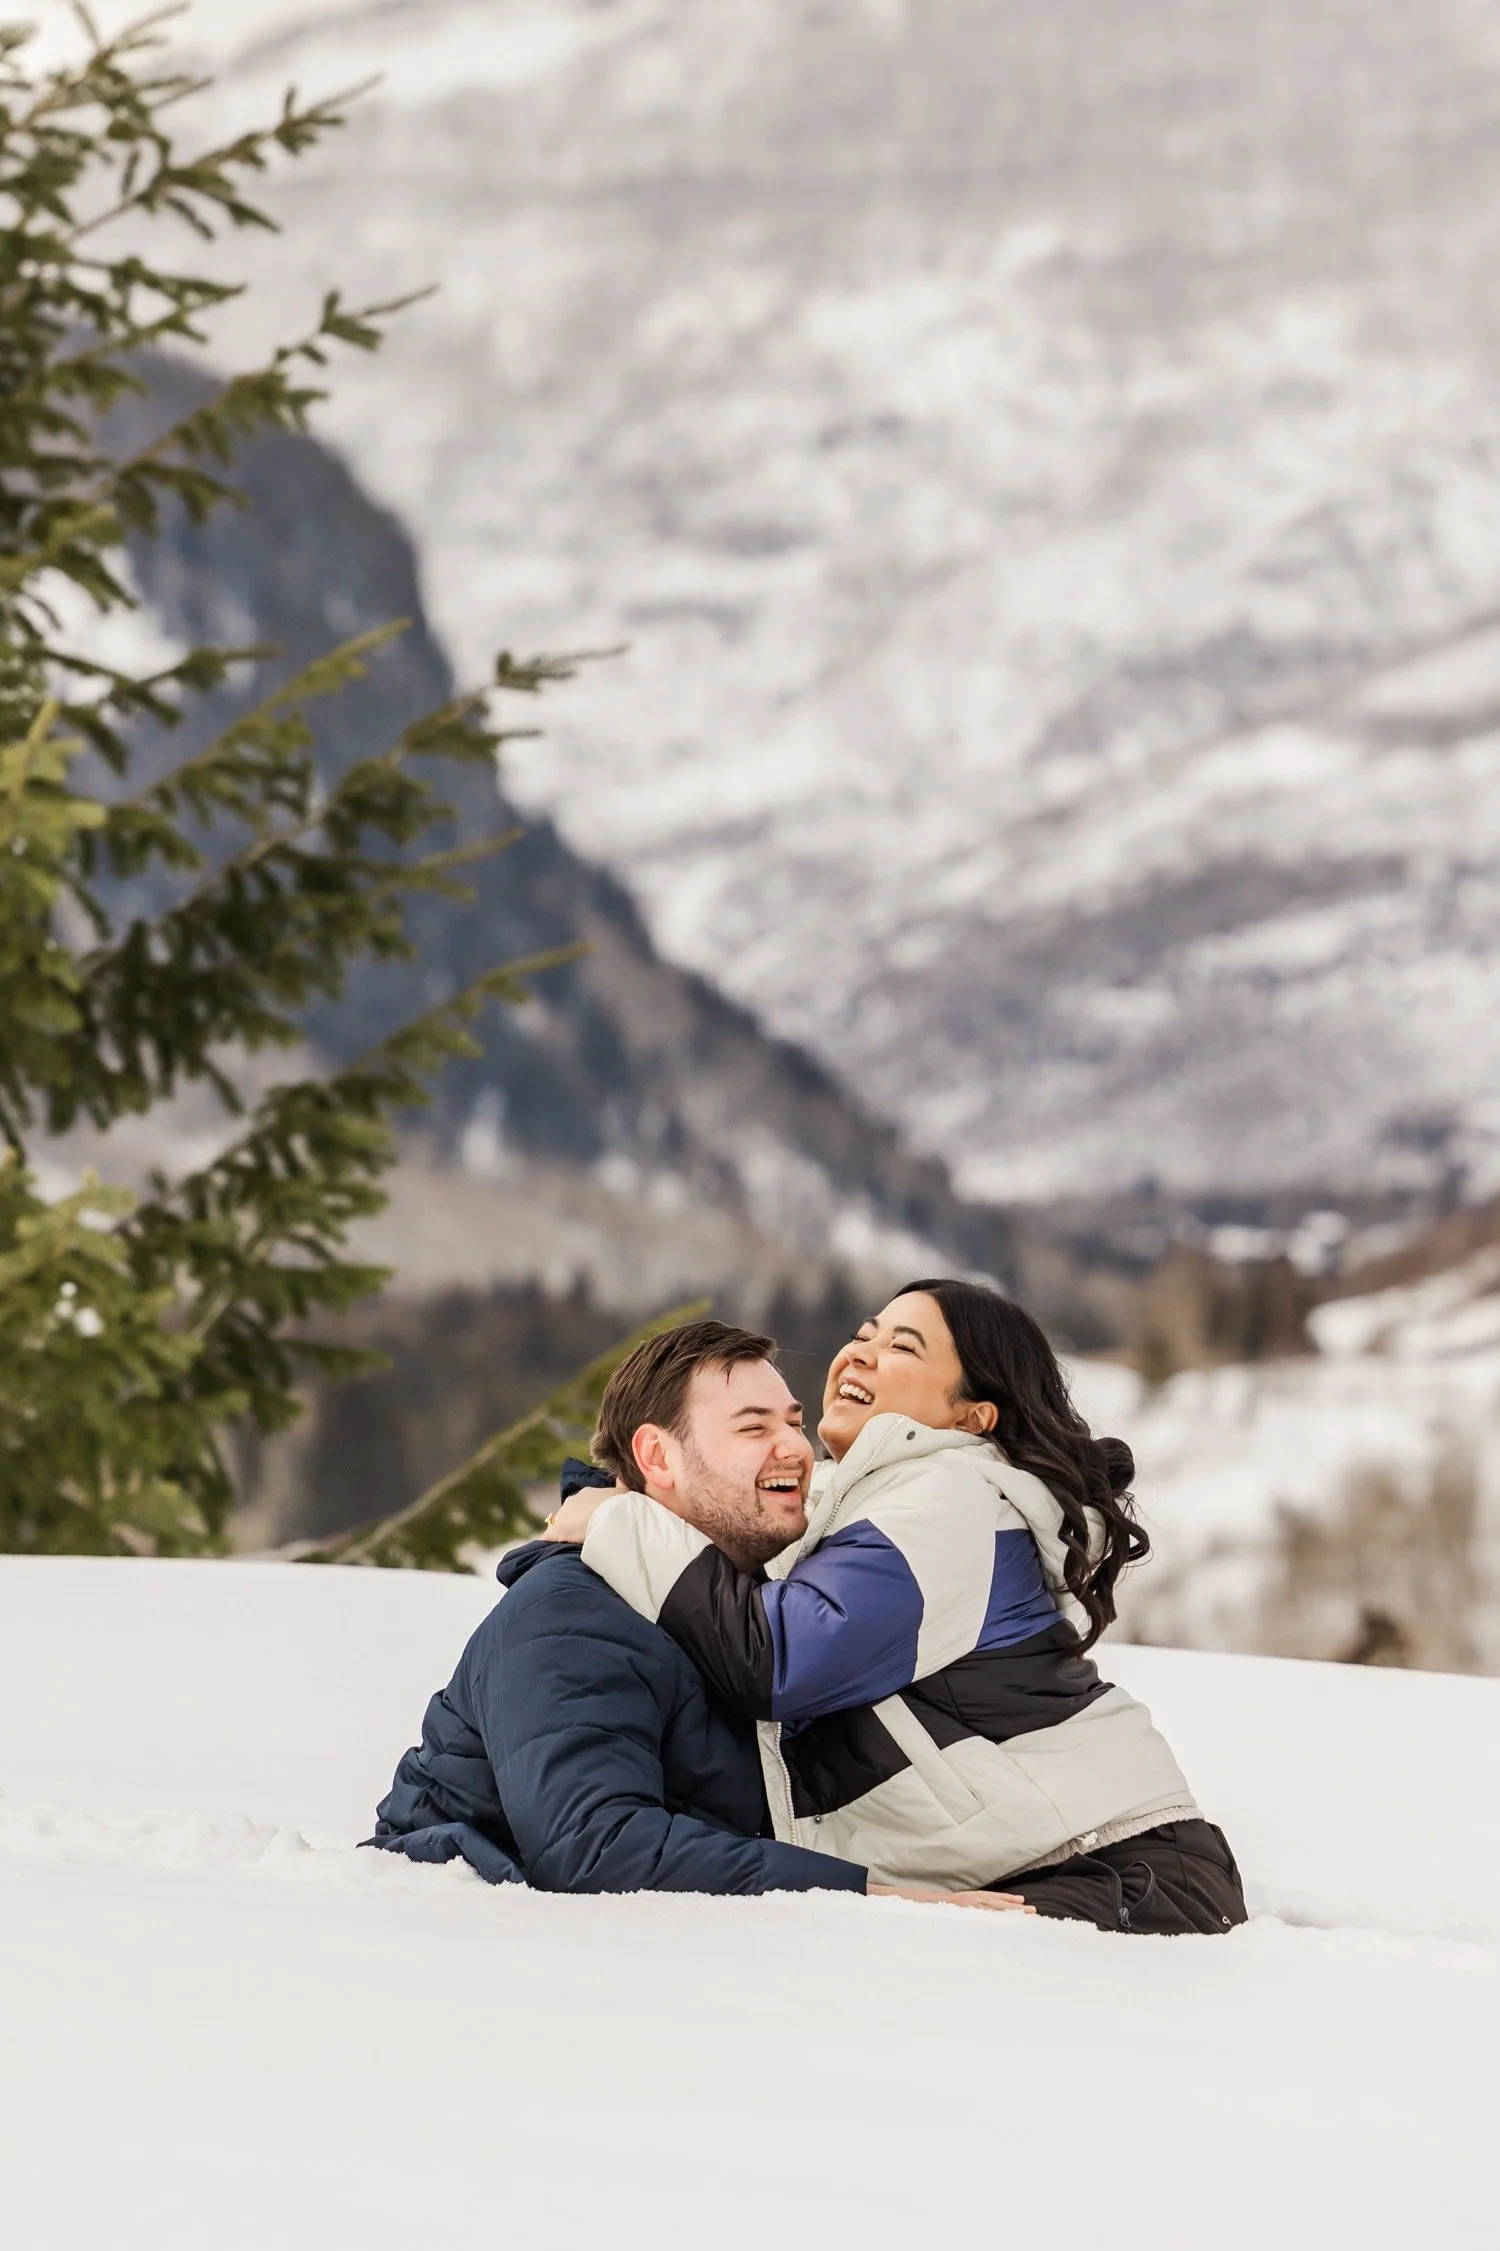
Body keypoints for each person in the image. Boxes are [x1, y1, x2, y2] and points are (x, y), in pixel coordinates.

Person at [550, 1280, 1248, 1935]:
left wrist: (624, 1520)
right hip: (1052, 1861)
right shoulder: (865, 1505)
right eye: (865, 1333)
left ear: (970, 1414)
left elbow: (775, 1660)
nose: (861, 1352)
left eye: (903, 1347)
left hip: (1119, 1867)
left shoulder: (951, 1501)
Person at [369, 1318, 1030, 1910]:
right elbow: (595, 1845)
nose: (797, 1449)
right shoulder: (571, 1614)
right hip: (467, 1959)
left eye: (794, 1422)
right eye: (753, 1427)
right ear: (657, 1456)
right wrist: (868, 1894)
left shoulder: (746, 1613)